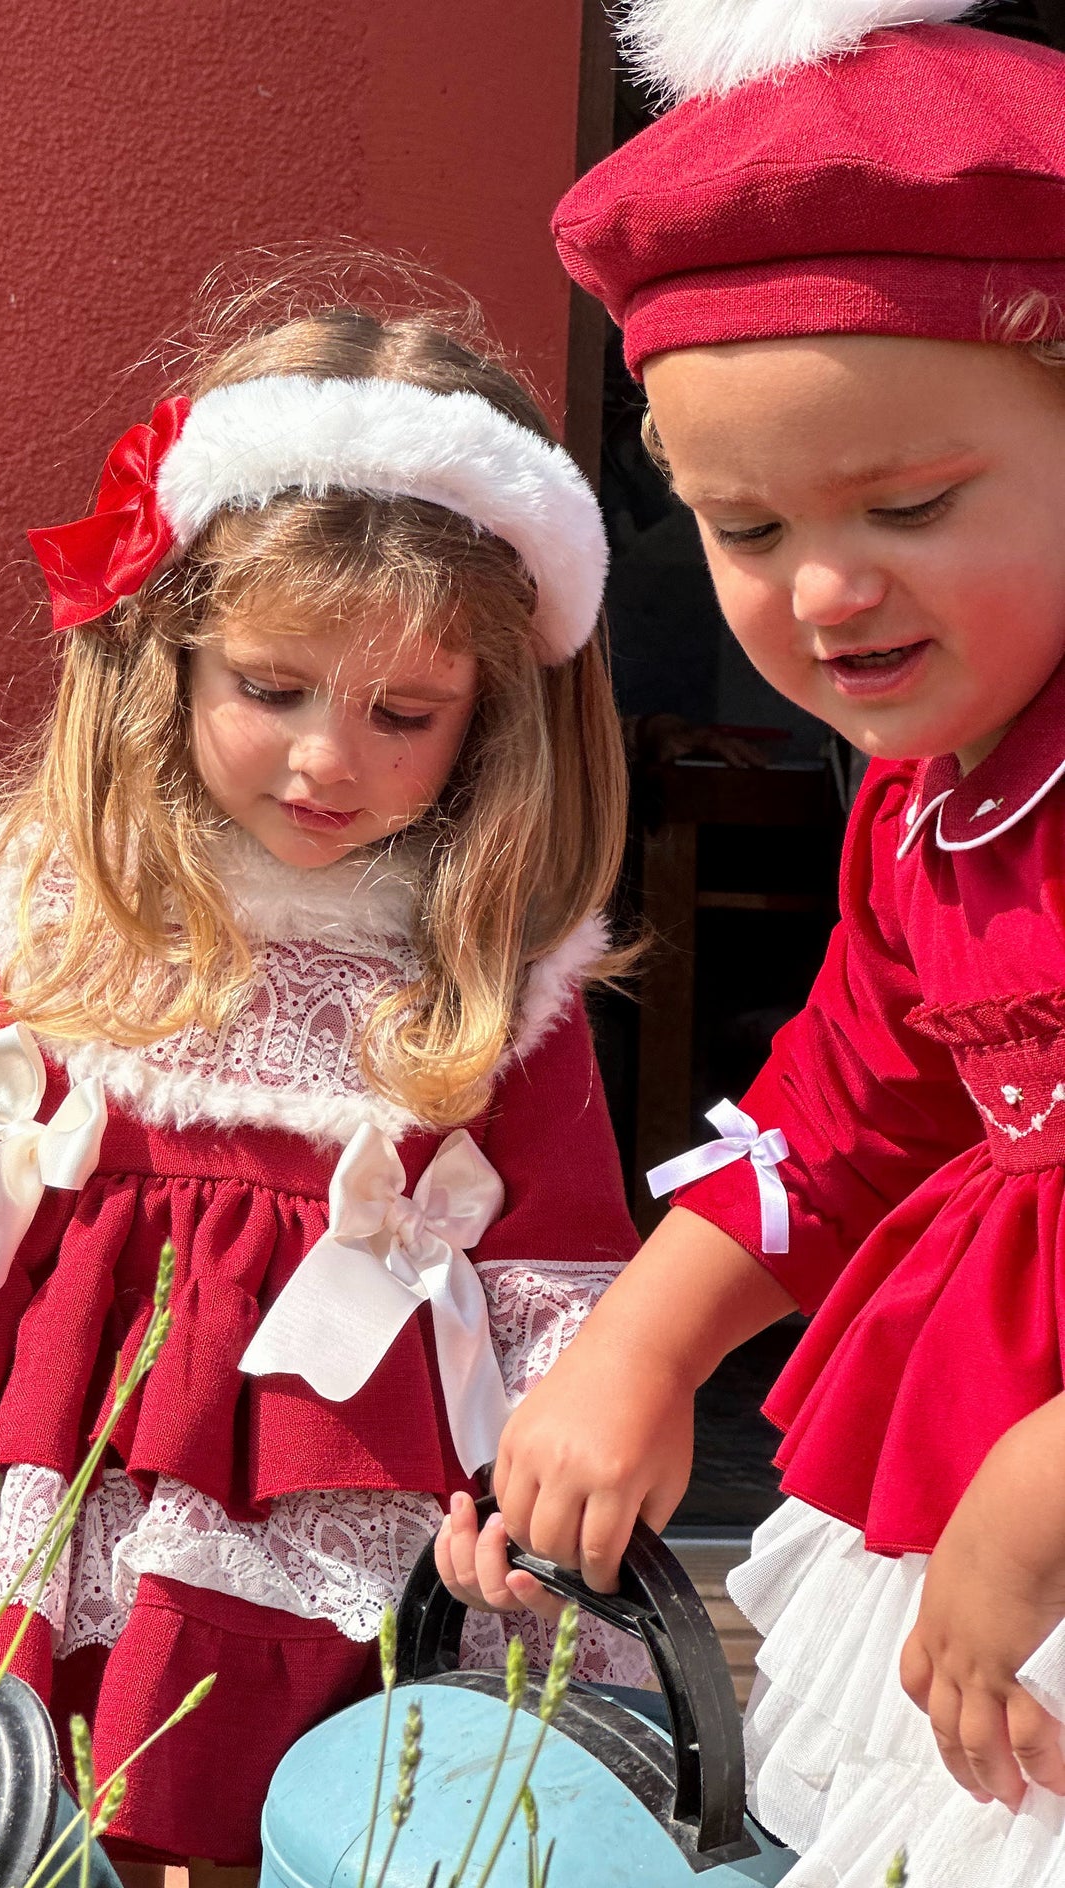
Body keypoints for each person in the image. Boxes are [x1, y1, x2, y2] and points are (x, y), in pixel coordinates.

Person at [0, 275, 649, 1884]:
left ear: (491, 721)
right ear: (168, 657)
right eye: (272, 689)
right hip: (9, 1477)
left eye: (402, 714)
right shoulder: (59, 915)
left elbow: (560, 1294)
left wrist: (545, 1517)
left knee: (232, 1825)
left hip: (295, 1515)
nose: (328, 759)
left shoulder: (485, 982)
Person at [435, 7, 1065, 1883]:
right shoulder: (931, 799)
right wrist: (635, 1348)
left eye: (910, 505)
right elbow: (854, 1107)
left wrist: (1041, 1489)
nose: (824, 587)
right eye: (743, 526)